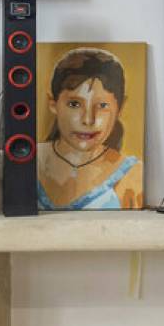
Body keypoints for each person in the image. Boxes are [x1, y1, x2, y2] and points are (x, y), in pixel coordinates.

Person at [36, 47, 144, 210]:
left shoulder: (131, 174)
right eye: (74, 104)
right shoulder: (29, 160)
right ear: (53, 104)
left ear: (120, 108)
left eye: (102, 106)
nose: (88, 120)